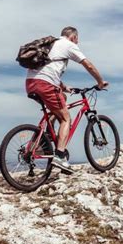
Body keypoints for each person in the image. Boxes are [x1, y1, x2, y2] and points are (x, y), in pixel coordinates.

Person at [25, 26, 108, 174]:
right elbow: (88, 65)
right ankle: (60, 156)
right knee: (65, 118)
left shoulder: (51, 44)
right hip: (46, 84)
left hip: (31, 83)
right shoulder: (68, 45)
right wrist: (100, 82)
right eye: (78, 40)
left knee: (61, 99)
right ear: (74, 37)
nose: (78, 42)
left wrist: (63, 87)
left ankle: (46, 137)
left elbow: (46, 70)